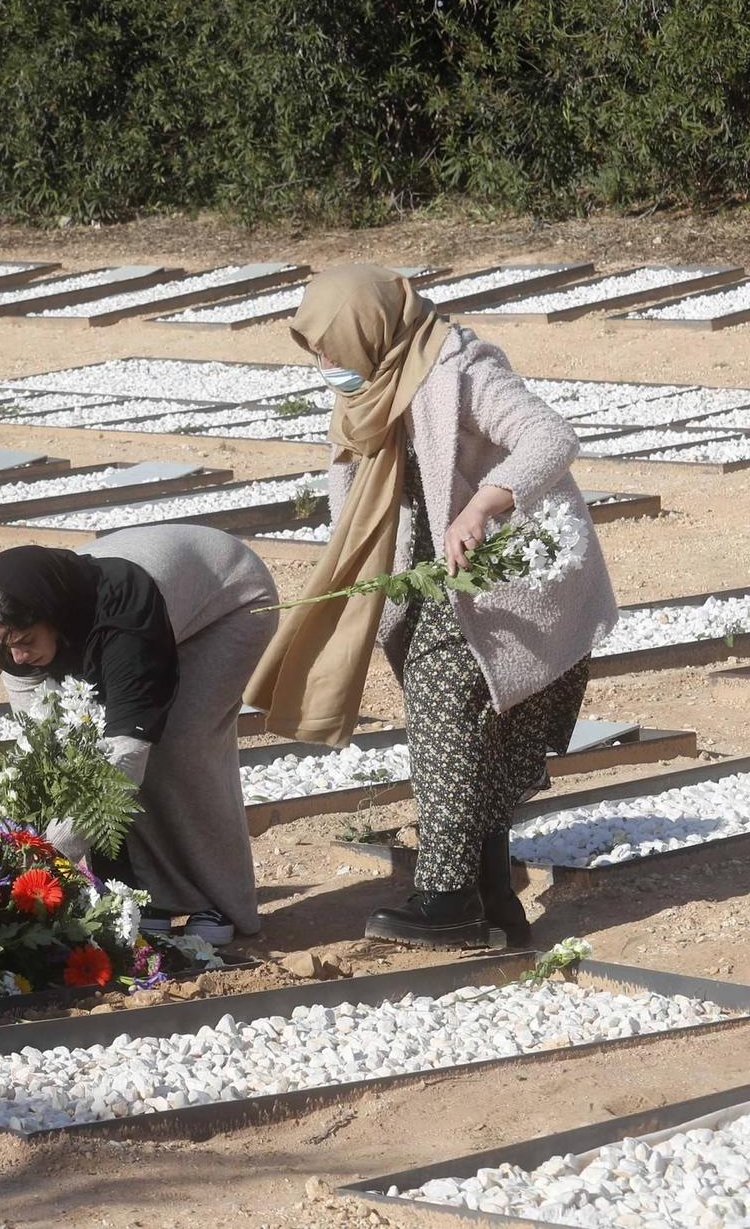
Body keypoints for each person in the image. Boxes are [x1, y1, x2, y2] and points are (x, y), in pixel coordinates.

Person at [247, 265, 618, 949]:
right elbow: (356, 496)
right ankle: (494, 898)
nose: (326, 364)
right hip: (427, 572)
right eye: (317, 352)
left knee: (446, 703)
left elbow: (551, 437)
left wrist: (483, 502)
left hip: (511, 569)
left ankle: (446, 896)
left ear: (373, 331)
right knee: (469, 732)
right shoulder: (361, 399)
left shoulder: (461, 370)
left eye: (332, 347)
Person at [0, 528, 277, 944]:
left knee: (179, 746)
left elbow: (124, 755)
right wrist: (26, 836)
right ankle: (143, 894)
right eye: (5, 646)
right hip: (160, 608)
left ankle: (217, 900)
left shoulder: (124, 621)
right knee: (83, 744)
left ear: (52, 616)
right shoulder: (17, 627)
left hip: (229, 603)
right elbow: (45, 742)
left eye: (25, 642)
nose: (17, 657)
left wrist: (50, 857)